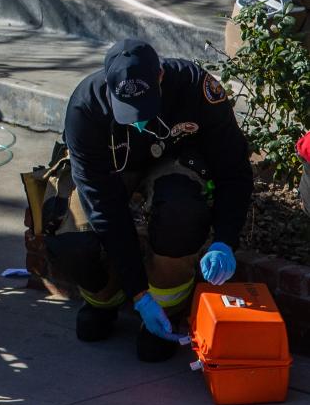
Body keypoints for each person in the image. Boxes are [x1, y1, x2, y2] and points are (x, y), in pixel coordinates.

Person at [45, 39, 253, 362]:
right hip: (115, 173)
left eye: (145, 107)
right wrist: (138, 293)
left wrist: (226, 239)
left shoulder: (195, 89)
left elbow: (234, 170)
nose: (139, 120)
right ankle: (104, 299)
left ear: (160, 78)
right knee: (73, 240)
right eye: (128, 110)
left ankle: (167, 309)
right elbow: (104, 208)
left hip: (174, 166)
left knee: (181, 212)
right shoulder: (84, 109)